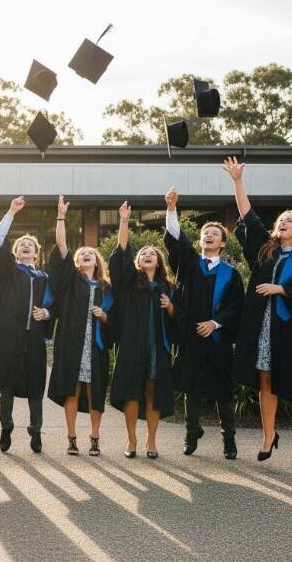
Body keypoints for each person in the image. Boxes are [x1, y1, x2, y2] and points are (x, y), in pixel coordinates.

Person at [223, 156, 292, 468]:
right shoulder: (265, 250)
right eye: (281, 219)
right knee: (265, 381)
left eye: (289, 221)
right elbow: (248, 217)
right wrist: (237, 182)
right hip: (262, 328)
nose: (282, 222)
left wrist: (281, 289)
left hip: (290, 329)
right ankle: (269, 435)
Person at [164, 186, 244, 459]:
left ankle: (229, 440)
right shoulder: (188, 264)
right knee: (191, 388)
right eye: (205, 234)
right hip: (191, 336)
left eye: (215, 234)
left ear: (222, 243)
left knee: (223, 391)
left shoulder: (231, 274)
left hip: (218, 339)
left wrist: (216, 323)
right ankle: (191, 433)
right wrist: (172, 209)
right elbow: (175, 239)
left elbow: (236, 306)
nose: (208, 236)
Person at [109, 201, 176, 459]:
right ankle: (132, 440)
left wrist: (170, 307)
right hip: (132, 345)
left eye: (152, 253)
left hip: (157, 347)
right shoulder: (129, 284)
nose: (148, 254)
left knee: (152, 392)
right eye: (143, 253)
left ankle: (151, 441)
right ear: (139, 261)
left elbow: (177, 319)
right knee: (131, 392)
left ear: (159, 261)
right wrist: (124, 222)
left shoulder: (167, 289)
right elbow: (121, 254)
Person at [47, 195, 113, 457]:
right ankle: (72, 438)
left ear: (97, 261)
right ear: (76, 262)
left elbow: (115, 320)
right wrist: (61, 217)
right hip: (71, 344)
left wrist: (105, 317)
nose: (86, 254)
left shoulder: (107, 289)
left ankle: (94, 438)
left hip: (95, 346)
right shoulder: (71, 281)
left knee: (95, 392)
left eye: (90, 253)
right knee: (71, 391)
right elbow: (62, 245)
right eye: (82, 253)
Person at [0, 196, 54, 453]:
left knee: (36, 388)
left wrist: (46, 314)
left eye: (30, 244)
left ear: (36, 254)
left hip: (34, 340)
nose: (25, 246)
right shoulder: (8, 272)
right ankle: (6, 429)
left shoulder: (44, 278)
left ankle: (35, 432)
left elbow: (53, 306)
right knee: (7, 387)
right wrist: (11, 213)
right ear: (15, 253)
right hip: (9, 338)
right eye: (21, 244)